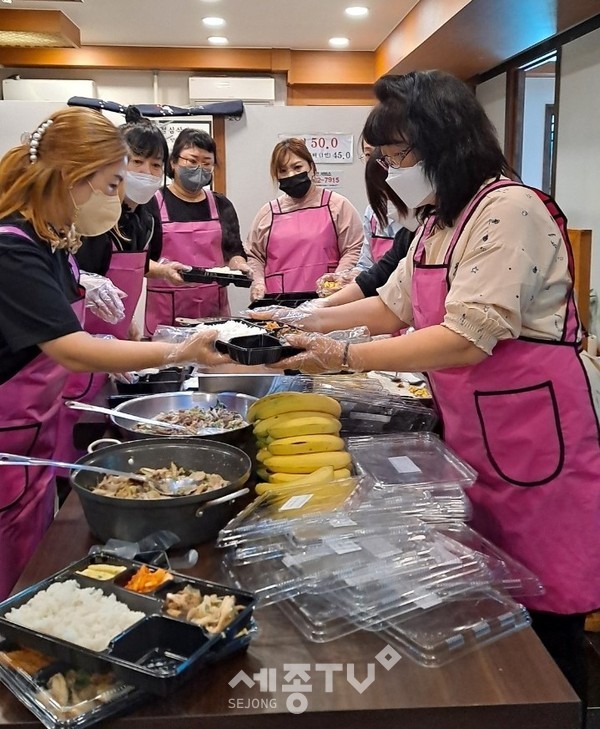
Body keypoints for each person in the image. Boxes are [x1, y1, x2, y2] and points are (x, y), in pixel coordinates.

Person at [263, 71, 600, 705]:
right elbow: (390, 306)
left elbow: (467, 336)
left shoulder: (510, 208)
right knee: (491, 601)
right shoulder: (440, 220)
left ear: (445, 141)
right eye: (386, 159)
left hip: (537, 442)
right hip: (475, 435)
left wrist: (344, 355)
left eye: (399, 156)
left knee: (546, 619)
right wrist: (299, 317)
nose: (393, 171)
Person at [0, 107, 230, 599]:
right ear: (69, 178)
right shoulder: (12, 248)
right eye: (109, 186)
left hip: (31, 435)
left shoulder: (50, 242)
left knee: (34, 557)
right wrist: (174, 353)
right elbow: (72, 350)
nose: (117, 198)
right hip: (9, 433)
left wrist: (105, 330)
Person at [55, 108, 189, 466]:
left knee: (101, 429)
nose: (146, 173)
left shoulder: (145, 217)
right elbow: (65, 276)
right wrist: (83, 281)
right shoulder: (90, 216)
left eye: (156, 165)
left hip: (115, 342)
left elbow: (135, 267)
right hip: (73, 344)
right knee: (69, 434)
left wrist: (129, 317)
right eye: (137, 163)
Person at [144, 127, 249, 335]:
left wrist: (240, 266)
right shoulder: (151, 204)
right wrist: (164, 271)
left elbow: (233, 251)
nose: (199, 168)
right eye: (192, 161)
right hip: (167, 315)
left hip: (214, 313)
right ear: (173, 162)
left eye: (207, 163)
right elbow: (138, 261)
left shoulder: (221, 204)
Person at [245, 137, 363, 301]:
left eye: (297, 167)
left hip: (328, 303)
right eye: (283, 171)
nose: (291, 174)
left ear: (312, 167)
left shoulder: (337, 205)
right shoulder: (267, 213)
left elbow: (353, 249)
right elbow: (254, 256)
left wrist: (338, 280)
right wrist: (258, 283)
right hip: (278, 305)